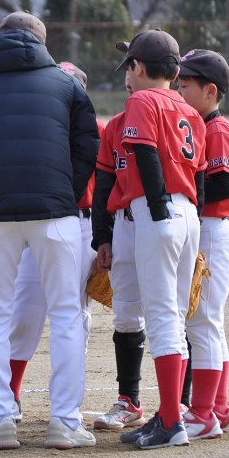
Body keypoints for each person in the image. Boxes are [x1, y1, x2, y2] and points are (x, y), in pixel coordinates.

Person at [0, 12, 100, 450]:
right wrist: (65, 192)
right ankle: (64, 422)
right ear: (42, 42)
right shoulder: (66, 83)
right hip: (55, 211)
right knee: (66, 315)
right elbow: (87, 144)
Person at [100, 29, 206, 449]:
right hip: (188, 212)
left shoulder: (143, 101)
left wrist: (158, 211)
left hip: (157, 210)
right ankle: (169, 413)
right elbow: (198, 173)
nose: (128, 74)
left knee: (161, 317)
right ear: (175, 72)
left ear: (139, 67)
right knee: (174, 317)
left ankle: (171, 423)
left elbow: (144, 153)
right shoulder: (187, 108)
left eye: (129, 66)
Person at [7, 62, 103, 420]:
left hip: (83, 225)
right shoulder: (36, 130)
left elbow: (107, 188)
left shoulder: (97, 130)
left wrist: (105, 238)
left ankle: (67, 403)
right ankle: (11, 392)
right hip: (38, 222)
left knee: (74, 313)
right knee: (25, 309)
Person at [175, 49, 229, 440]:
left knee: (201, 324)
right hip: (209, 230)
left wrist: (185, 189)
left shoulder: (216, 131)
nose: (179, 92)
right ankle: (218, 409)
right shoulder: (203, 127)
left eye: (185, 86)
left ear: (210, 91)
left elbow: (225, 184)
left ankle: (202, 414)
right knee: (208, 325)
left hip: (213, 232)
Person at [89, 86, 150, 433]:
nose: (131, 76)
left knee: (172, 313)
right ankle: (129, 400)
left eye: (138, 67)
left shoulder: (175, 117)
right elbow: (103, 185)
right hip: (124, 224)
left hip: (163, 223)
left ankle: (182, 402)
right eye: (129, 68)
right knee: (126, 312)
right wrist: (102, 237)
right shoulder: (115, 126)